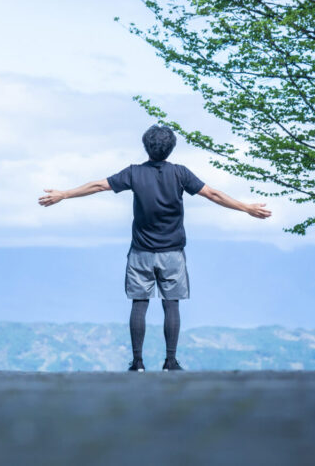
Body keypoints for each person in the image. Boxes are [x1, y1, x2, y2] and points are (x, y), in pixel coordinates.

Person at [38, 124, 271, 371]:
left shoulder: (134, 173)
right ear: (171, 148)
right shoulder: (180, 174)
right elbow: (213, 194)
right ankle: (170, 361)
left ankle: (137, 362)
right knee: (171, 304)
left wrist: (64, 194)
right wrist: (246, 208)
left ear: (146, 146)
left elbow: (98, 186)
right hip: (173, 253)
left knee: (139, 304)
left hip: (141, 253)